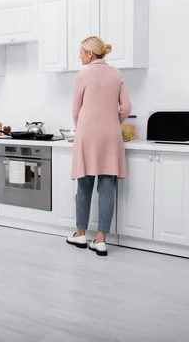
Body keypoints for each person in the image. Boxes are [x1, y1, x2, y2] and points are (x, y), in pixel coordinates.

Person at [66, 36, 132, 256]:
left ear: (90, 54)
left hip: (87, 136)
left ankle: (80, 233)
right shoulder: (116, 74)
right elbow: (126, 107)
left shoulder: (82, 76)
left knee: (84, 186)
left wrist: (84, 128)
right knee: (106, 188)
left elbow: (76, 111)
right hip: (111, 137)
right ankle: (101, 240)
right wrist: (113, 123)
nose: (79, 55)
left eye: (81, 52)